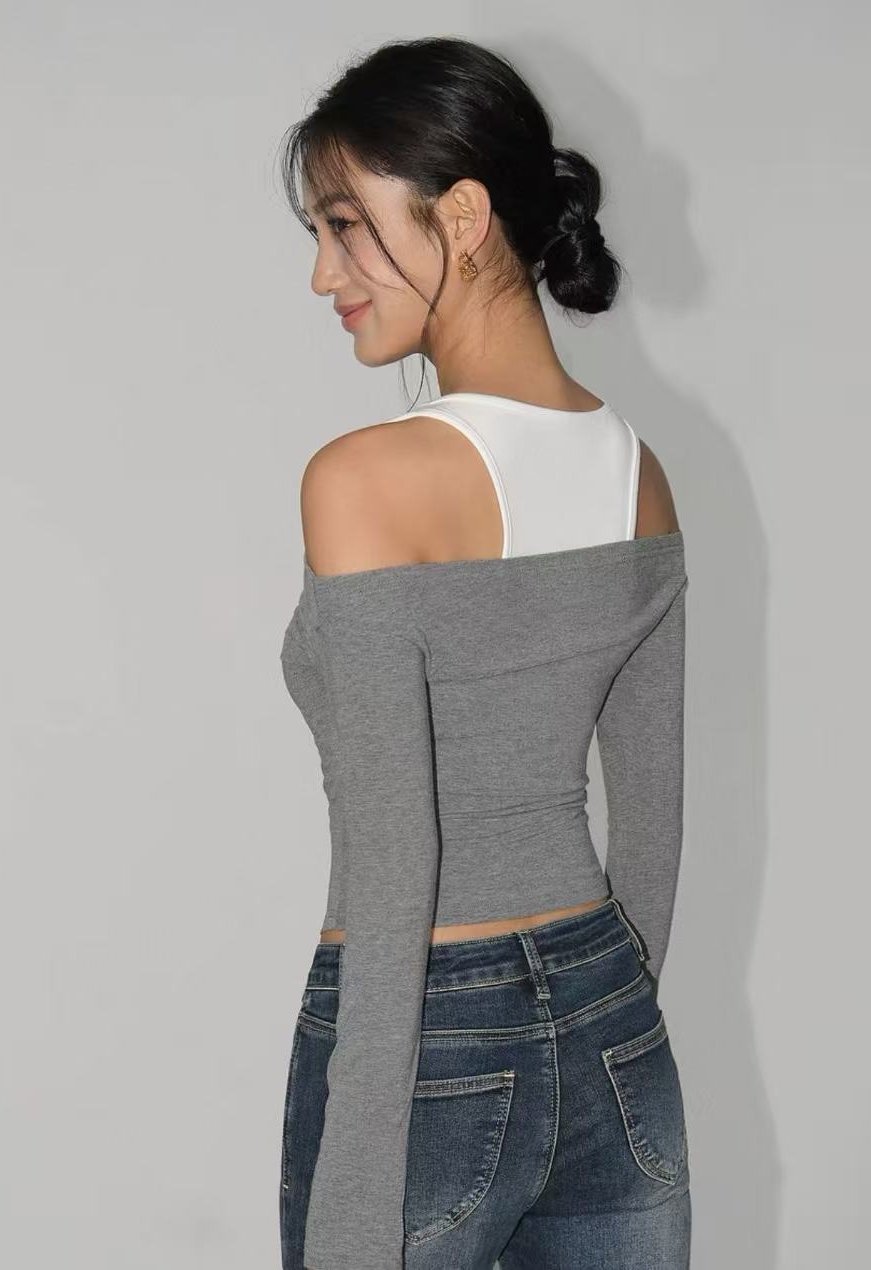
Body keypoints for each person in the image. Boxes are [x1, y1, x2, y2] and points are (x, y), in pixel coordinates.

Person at [276, 36, 691, 1270]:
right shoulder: (640, 474)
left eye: (344, 227)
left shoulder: (363, 481)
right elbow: (652, 822)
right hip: (613, 1013)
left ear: (459, 216)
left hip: (420, 1037)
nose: (322, 273)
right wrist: (602, 1029)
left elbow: (394, 855)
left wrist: (359, 1208)